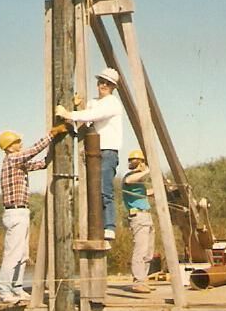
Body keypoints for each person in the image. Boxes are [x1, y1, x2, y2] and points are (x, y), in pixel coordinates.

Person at [0, 124, 67, 304]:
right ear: (9, 147)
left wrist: (53, 150)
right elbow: (33, 151)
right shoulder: (12, 159)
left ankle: (17, 288)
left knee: (22, 254)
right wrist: (51, 135)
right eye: (17, 142)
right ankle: (4, 291)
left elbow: (41, 164)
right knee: (13, 254)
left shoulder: (18, 163)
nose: (20, 144)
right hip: (15, 212)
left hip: (21, 212)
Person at [55, 67, 124, 240]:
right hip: (92, 152)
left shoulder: (112, 103)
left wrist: (69, 113)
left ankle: (109, 226)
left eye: (108, 83)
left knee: (104, 190)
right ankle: (95, 225)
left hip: (108, 151)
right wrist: (76, 107)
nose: (103, 85)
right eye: (101, 81)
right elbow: (87, 122)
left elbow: (94, 115)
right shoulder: (93, 102)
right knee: (91, 190)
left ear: (113, 87)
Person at [122, 149, 154, 293]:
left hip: (146, 216)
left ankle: (143, 280)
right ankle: (138, 282)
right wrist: (149, 171)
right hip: (139, 217)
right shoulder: (129, 177)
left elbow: (144, 193)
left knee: (148, 252)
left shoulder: (138, 182)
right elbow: (129, 181)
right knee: (140, 250)